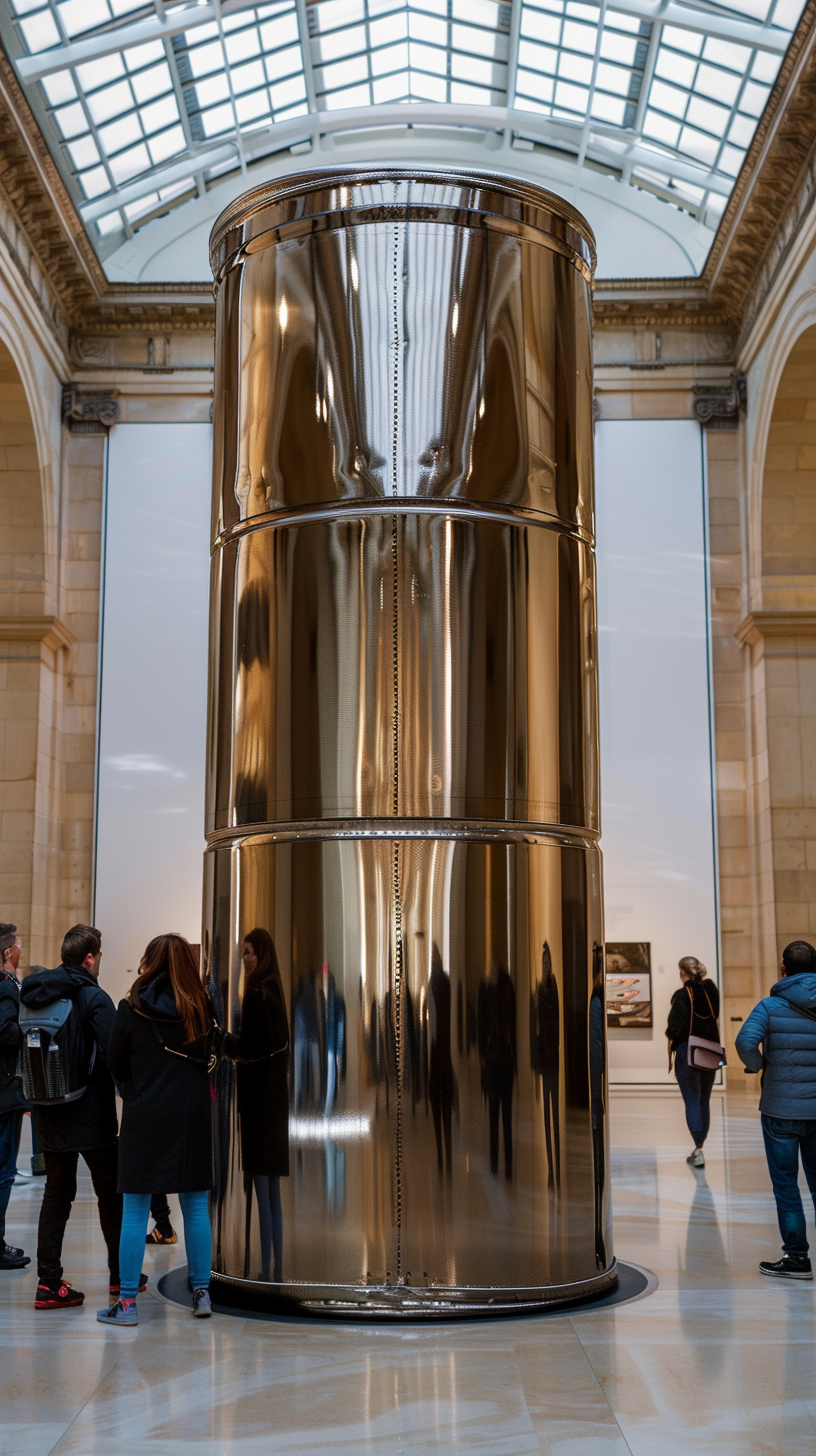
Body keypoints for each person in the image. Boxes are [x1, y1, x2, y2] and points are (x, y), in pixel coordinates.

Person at [102, 933, 218, 1324]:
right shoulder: (202, 1007)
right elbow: (210, 1057)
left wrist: (134, 1092)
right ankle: (202, 1292)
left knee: (134, 1211)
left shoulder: (131, 1008)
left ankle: (128, 1305)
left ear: (149, 962)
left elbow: (114, 1061)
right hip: (192, 1117)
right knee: (195, 1207)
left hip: (144, 1118)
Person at [21, 925, 136, 1310]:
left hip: (48, 1111)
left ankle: (48, 1283)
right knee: (110, 1195)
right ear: (90, 958)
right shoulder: (93, 996)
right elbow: (114, 1053)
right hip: (92, 1115)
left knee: (56, 1195)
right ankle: (121, 1279)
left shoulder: (36, 994)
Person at [736, 939, 816, 1280]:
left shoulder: (769, 1006)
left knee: (786, 1184)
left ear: (783, 969)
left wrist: (757, 1066)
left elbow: (744, 1042)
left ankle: (797, 1258)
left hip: (780, 1109)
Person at [222, 929, 289, 1283]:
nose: (246, 959)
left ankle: (266, 1269)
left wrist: (222, 1041)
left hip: (259, 1102)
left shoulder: (256, 994)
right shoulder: (276, 990)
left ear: (261, 954)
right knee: (271, 1187)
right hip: (275, 1101)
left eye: (250, 953)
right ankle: (276, 1265)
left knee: (263, 1187)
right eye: (243, 954)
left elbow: (249, 1049)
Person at [666, 956, 720, 1168]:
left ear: (682, 973)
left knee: (692, 1100)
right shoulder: (711, 990)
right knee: (703, 1101)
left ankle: (697, 1149)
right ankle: (700, 1147)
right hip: (710, 1052)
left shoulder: (681, 995)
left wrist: (670, 1034)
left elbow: (674, 1027)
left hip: (688, 1053)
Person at [0, 923, 29, 1269]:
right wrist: (30, 1026)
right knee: (5, 1170)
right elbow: (6, 1031)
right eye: (18, 946)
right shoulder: (7, 988)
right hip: (6, 1091)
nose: (21, 949)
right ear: (9, 953)